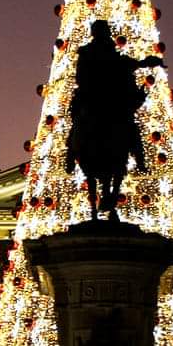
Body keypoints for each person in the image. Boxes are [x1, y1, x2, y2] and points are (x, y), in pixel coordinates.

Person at [67, 19, 164, 218]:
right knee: (78, 123)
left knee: (129, 125)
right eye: (100, 31)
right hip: (92, 97)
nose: (103, 34)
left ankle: (140, 158)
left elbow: (128, 64)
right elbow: (80, 77)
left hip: (111, 100)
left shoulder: (113, 53)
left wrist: (146, 62)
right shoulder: (86, 52)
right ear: (95, 33)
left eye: (104, 31)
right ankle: (70, 155)